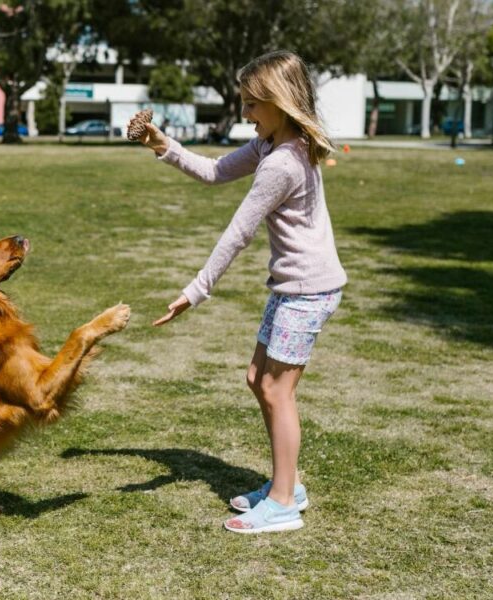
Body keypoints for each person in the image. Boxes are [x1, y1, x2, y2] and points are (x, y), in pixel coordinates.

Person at [132, 50, 347, 534]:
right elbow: (213, 171)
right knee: (258, 378)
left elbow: (238, 232)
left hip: (308, 292)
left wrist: (196, 290)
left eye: (252, 104)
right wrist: (161, 143)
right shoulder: (272, 144)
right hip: (294, 287)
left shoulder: (282, 163)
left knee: (276, 388)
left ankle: (285, 502)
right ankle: (286, 483)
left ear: (280, 102)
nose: (245, 114)